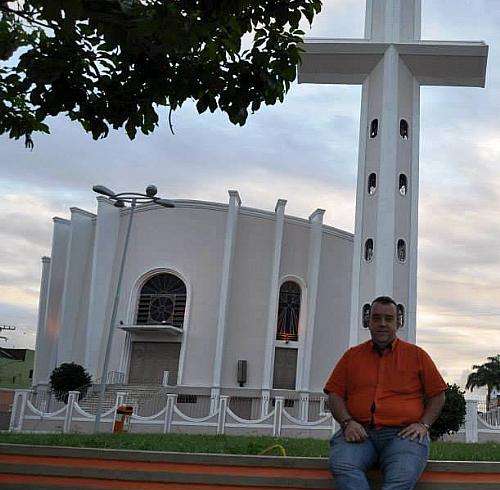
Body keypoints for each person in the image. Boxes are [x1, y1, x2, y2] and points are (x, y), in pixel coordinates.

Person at [324, 296, 446, 490]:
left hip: (404, 436)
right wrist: (347, 423)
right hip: (360, 433)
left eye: (388, 319)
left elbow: (438, 394)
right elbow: (334, 394)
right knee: (343, 465)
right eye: (376, 318)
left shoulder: (417, 355)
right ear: (368, 322)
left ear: (398, 322)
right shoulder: (351, 356)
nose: (382, 324)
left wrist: (423, 424)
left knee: (401, 476)